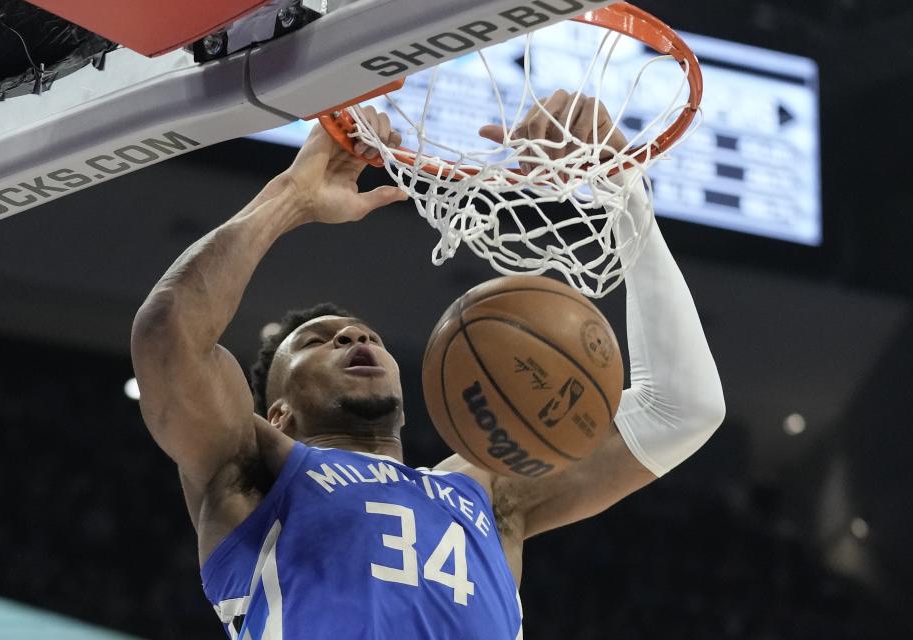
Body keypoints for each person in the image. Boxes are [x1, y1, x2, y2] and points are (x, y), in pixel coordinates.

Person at [130, 91, 725, 639]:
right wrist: (291, 196)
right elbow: (169, 336)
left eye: (364, 333)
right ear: (278, 413)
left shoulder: (485, 491)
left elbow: (683, 408)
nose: (354, 334)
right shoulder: (255, 473)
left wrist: (622, 191)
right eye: (318, 341)